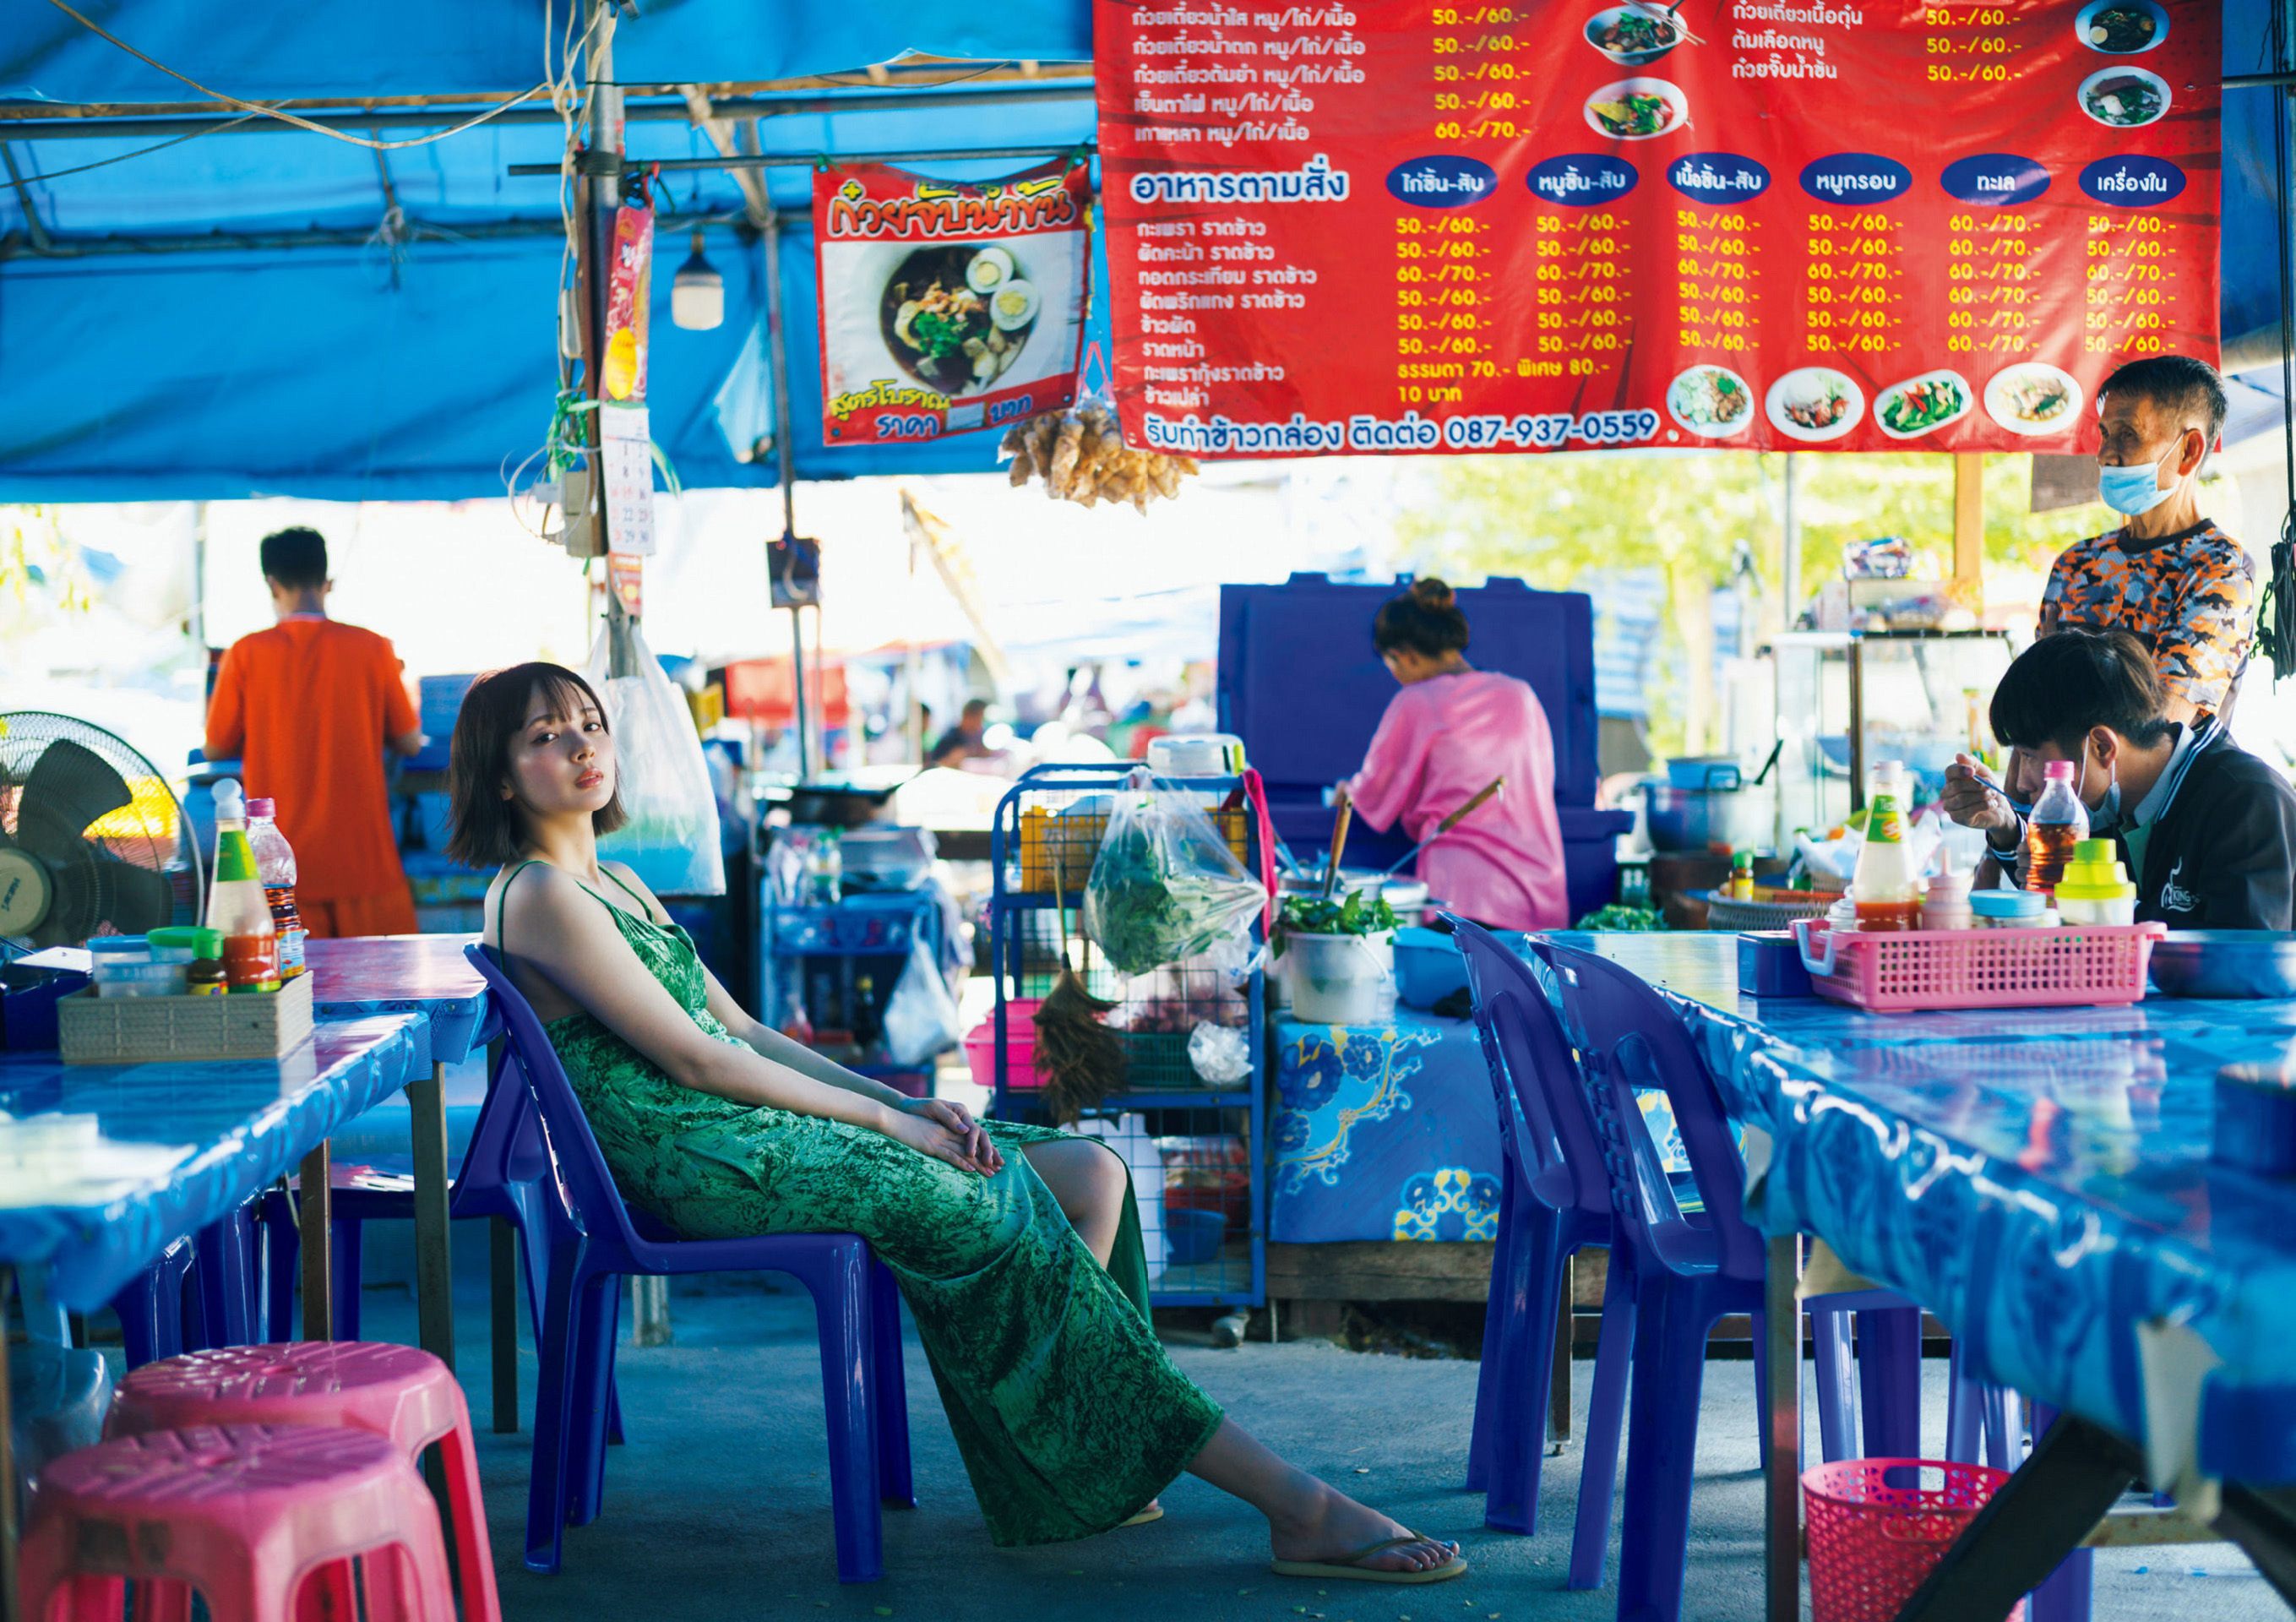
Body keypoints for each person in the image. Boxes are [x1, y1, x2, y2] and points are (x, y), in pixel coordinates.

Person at [450, 661, 1466, 1584]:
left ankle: (1087, 1446)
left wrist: (901, 1100)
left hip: (740, 1124)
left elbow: (745, 1026)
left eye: (589, 724)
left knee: (1089, 1173)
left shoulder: (618, 880)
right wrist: (889, 1129)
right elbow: (696, 1060)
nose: (582, 747)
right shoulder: (539, 895)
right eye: (544, 736)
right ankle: (1288, 1502)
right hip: (695, 1157)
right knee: (985, 1192)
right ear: (500, 776)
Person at [1940, 629, 2296, 929]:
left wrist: (2097, 902)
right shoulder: (2109, 804)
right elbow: (2053, 891)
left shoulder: (2247, 803)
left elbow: (2242, 965)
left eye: (2030, 756)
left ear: (2101, 746)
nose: (2020, 783)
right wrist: (2006, 828)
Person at [204, 525, 425, 938]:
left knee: (293, 994)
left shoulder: (246, 653)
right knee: (381, 995)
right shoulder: (374, 647)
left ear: (272, 584)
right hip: (364, 867)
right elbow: (410, 742)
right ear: (328, 583)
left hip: (281, 872)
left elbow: (215, 746)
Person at [1339, 580, 1569, 932]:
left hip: (1461, 896)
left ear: (1404, 654)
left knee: (1455, 988)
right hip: (1539, 894)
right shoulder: (1521, 695)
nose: (1398, 678)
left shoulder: (1417, 701)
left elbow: (1372, 792)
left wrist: (1345, 791)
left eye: (1393, 666)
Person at [2039, 354, 2253, 722]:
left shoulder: (2218, 571)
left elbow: (2159, 732)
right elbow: (2036, 703)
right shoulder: (2076, 564)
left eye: (2128, 434)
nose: (2104, 454)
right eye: (2105, 433)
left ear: (2188, 452)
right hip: (2062, 781)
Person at [928, 697, 993, 768]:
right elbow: (936, 765)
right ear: (968, 716)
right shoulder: (950, 738)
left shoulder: (981, 736)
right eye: (980, 718)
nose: (981, 723)